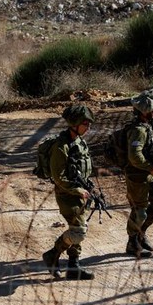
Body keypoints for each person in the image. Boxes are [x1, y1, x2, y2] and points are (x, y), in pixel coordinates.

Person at [41, 104, 96, 280]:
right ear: (75, 124)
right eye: (85, 124)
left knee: (79, 227)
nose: (88, 128)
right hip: (67, 196)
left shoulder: (80, 142)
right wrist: (78, 190)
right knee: (78, 231)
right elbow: (59, 177)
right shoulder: (61, 146)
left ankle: (73, 266)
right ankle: (52, 254)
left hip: (81, 194)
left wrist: (88, 187)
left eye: (89, 124)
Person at [122, 88, 153, 258]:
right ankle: (132, 241)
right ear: (145, 112)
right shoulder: (138, 131)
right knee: (140, 211)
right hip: (138, 175)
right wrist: (150, 167)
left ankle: (141, 234)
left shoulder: (152, 127)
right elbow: (134, 157)